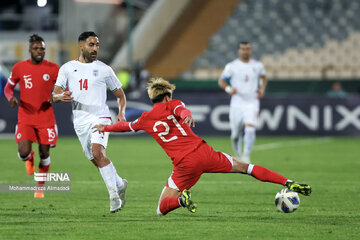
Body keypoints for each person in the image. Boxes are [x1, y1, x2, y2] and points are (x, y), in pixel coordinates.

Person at [92, 78, 311, 216]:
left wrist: (105, 127)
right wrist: (187, 115)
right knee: (247, 168)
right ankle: (288, 182)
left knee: (161, 209)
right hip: (204, 152)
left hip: (185, 165)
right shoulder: (174, 103)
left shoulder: (145, 118)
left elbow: (126, 126)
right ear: (167, 96)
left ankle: (181, 199)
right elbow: (182, 111)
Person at [52, 31, 128, 213]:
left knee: (97, 151)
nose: (95, 49)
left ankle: (114, 197)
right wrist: (61, 95)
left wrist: (122, 113)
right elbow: (54, 96)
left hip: (101, 117)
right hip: (80, 122)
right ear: (81, 46)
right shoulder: (67, 68)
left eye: (97, 45)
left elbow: (120, 95)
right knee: (96, 159)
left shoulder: (104, 69)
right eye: (91, 45)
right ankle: (119, 183)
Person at [4, 34, 59, 198]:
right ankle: (29, 158)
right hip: (26, 117)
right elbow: (8, 89)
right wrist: (10, 98)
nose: (39, 51)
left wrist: (56, 97)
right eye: (36, 48)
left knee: (45, 153)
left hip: (46, 118)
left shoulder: (54, 69)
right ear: (29, 50)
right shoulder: (19, 68)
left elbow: (62, 89)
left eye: (42, 48)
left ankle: (40, 187)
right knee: (23, 152)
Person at [218, 41, 267, 163]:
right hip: (237, 102)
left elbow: (263, 77)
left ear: (250, 51)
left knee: (250, 128)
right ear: (238, 51)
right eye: (243, 49)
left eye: (248, 49)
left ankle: (246, 156)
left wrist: (261, 88)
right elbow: (222, 81)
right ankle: (238, 154)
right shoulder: (232, 66)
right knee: (235, 134)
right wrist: (229, 89)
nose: (246, 51)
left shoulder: (257, 65)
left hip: (252, 101)